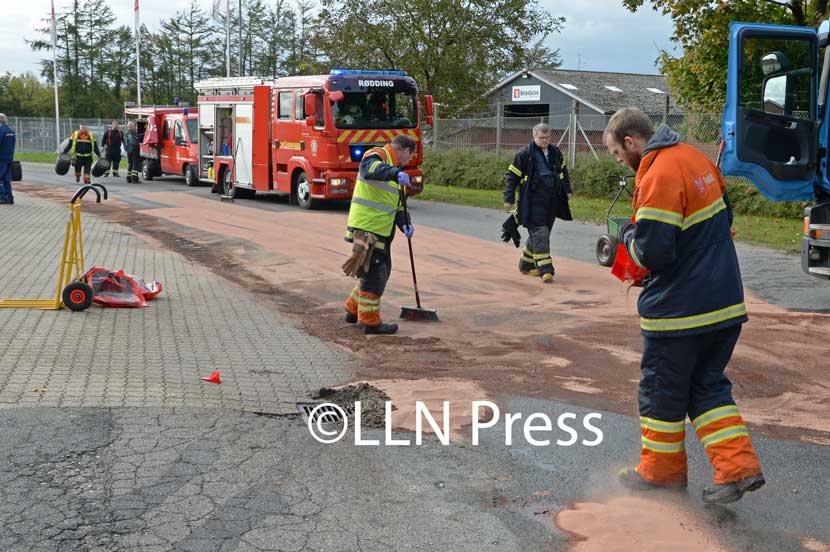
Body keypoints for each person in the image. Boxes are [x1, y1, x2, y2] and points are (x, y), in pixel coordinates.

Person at [603, 107, 764, 504]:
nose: (618, 161)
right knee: (705, 387)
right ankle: (738, 471)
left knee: (662, 392)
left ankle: (661, 474)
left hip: (680, 312)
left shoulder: (658, 173)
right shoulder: (695, 158)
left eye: (615, 153)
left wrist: (627, 236)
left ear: (631, 141)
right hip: (724, 303)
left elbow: (654, 252)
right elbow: (722, 217)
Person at [341, 134, 416, 335]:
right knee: (376, 272)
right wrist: (393, 173)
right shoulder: (377, 155)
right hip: (367, 227)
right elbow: (369, 169)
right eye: (410, 157)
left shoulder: (396, 172)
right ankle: (370, 321)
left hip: (380, 229)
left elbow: (398, 205)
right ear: (406, 150)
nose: (409, 161)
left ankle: (352, 309)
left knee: (375, 269)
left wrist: (405, 224)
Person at [503, 123, 572, 283]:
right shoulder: (524, 154)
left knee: (542, 231)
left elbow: (563, 173)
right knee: (540, 232)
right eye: (542, 138)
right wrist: (509, 198)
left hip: (551, 201)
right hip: (532, 200)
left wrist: (567, 190)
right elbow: (511, 177)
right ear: (534, 137)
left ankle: (526, 264)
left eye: (547, 137)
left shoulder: (555, 152)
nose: (545, 140)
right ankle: (546, 269)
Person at [0, 113, 16, 205]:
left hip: (1, 158)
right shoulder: (11, 130)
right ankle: (10, 198)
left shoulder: (0, 130)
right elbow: (13, 144)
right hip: (9, 158)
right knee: (6, 179)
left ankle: (2, 197)